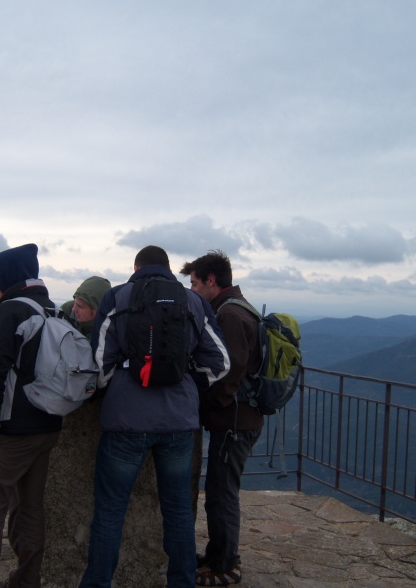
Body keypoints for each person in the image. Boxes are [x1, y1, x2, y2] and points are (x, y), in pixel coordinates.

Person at [79, 245, 230, 588]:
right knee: (177, 513)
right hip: (179, 422)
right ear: (168, 269)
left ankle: (97, 583)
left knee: (110, 511)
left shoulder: (117, 297)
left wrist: (117, 386)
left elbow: (100, 362)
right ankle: (181, 582)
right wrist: (188, 382)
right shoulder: (194, 302)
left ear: (136, 267)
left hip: (125, 422)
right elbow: (220, 362)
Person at [0, 243, 62, 588]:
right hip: (47, 427)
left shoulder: (10, 312)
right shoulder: (52, 310)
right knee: (30, 510)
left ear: (9, 276)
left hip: (10, 433)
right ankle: (26, 581)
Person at [179, 250, 264, 586]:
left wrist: (209, 406)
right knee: (219, 488)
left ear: (211, 281)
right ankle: (217, 555)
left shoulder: (229, 315)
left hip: (235, 420)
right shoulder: (238, 308)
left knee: (221, 492)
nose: (194, 290)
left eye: (195, 283)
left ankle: (225, 564)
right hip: (241, 418)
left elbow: (227, 371)